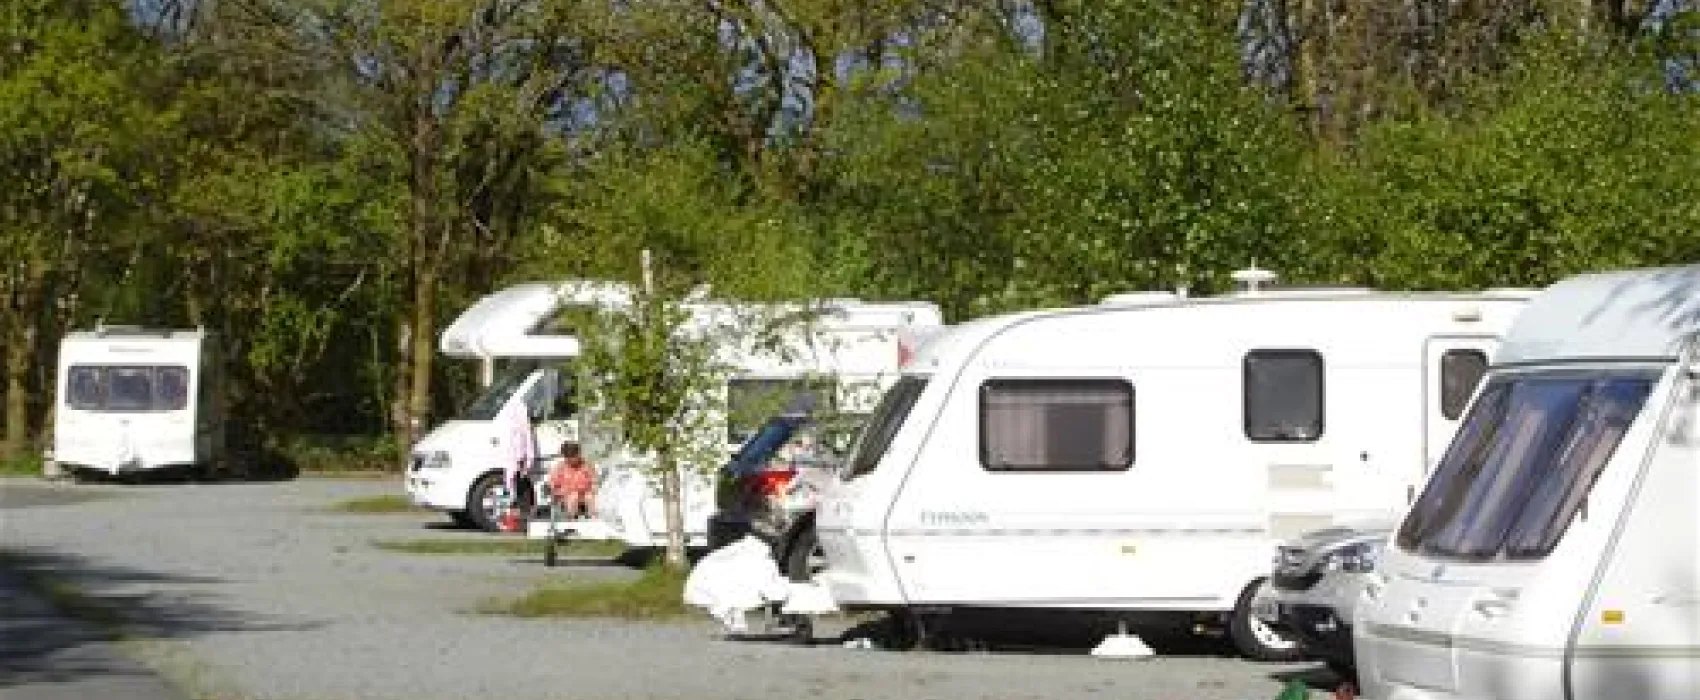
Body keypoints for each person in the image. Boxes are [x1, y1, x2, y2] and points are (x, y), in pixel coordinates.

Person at [547, 442, 596, 520]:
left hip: (584, 495)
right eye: (570, 457)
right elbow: (552, 486)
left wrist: (591, 490)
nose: (573, 459)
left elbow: (593, 482)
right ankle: (572, 522)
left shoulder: (586, 466)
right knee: (573, 497)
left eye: (575, 456)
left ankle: (592, 521)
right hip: (566, 497)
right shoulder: (560, 468)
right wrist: (561, 493)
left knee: (589, 497)